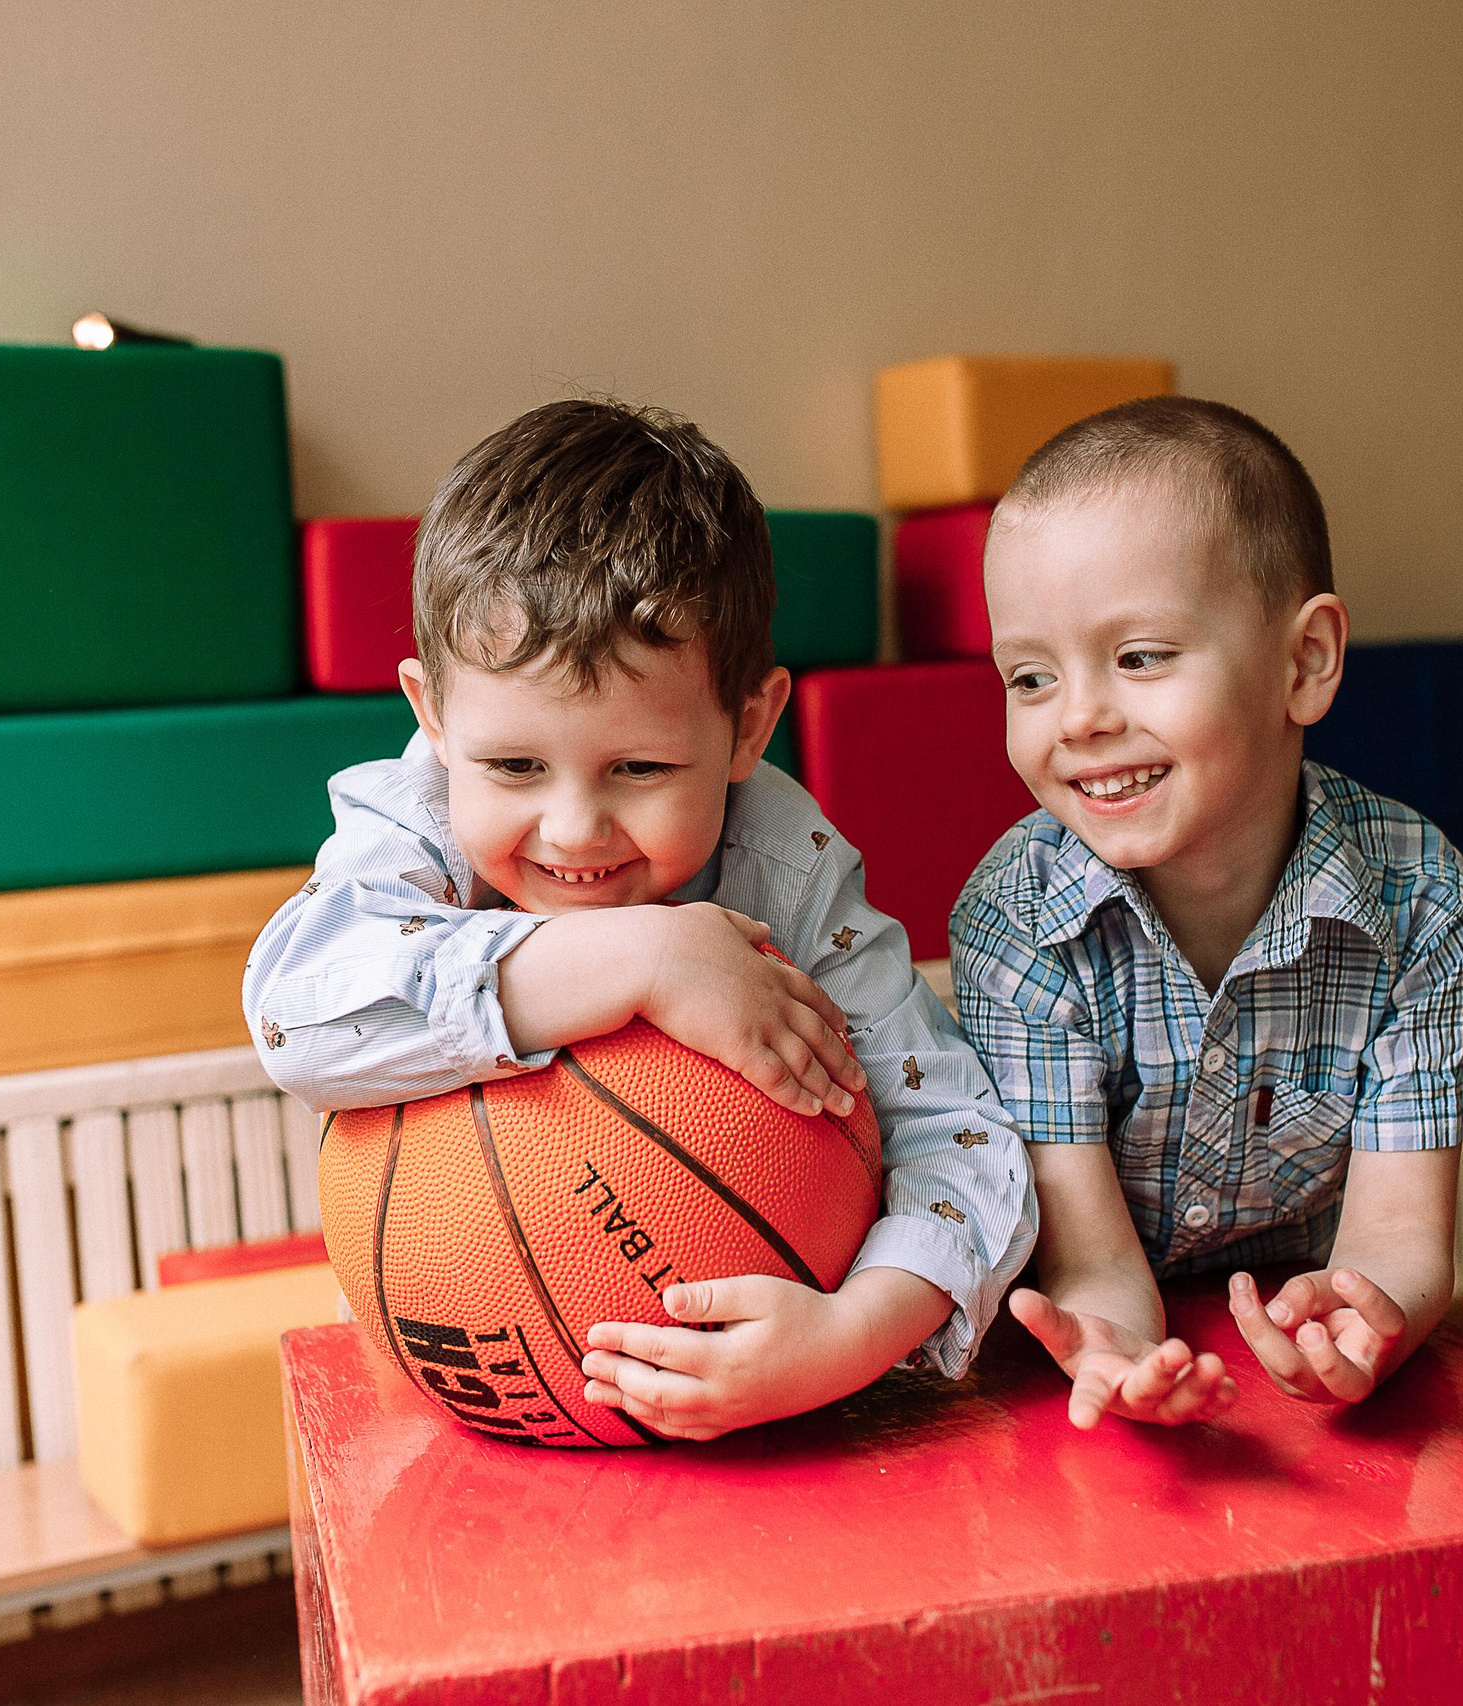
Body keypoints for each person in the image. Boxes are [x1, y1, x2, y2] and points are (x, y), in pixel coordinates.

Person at [245, 398, 1035, 1441]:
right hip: (470, 1388)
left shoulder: (784, 873)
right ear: (431, 717)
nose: (572, 829)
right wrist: (643, 955)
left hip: (766, 1427)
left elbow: (965, 1135)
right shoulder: (417, 817)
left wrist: (849, 1331)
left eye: (641, 767)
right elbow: (293, 1019)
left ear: (749, 724)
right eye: (514, 765)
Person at [950, 396, 1463, 1430]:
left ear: (1304, 662)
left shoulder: (1425, 901)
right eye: (1029, 675)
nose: (1079, 718)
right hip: (1071, 1357)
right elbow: (1090, 1253)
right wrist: (1115, 1347)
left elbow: (1398, 1231)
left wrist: (1366, 1313)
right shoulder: (1012, 918)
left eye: (1141, 656)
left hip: (1293, 1332)